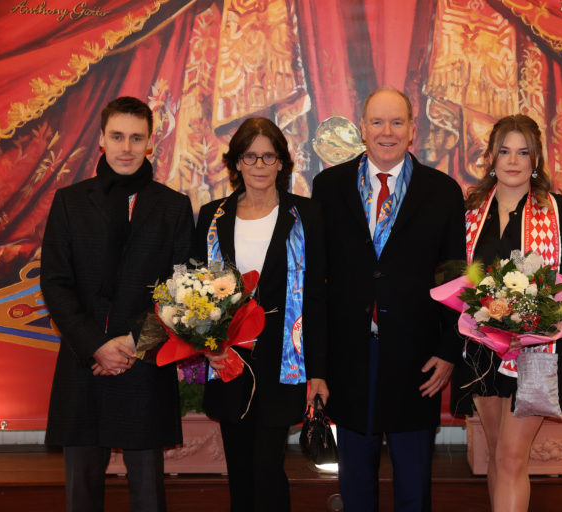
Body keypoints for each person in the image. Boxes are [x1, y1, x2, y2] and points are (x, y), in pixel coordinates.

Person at [312, 87, 466, 512]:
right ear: (362, 128)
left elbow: (457, 278)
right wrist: (317, 366)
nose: (387, 132)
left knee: (413, 485)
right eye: (377, 122)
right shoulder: (329, 187)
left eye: (397, 122)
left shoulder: (443, 191)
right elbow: (316, 283)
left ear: (413, 130)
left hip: (418, 359)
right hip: (349, 357)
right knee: (356, 481)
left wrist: (449, 350)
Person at [41, 96, 195, 511]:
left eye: (136, 138)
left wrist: (130, 344)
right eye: (117, 136)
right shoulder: (69, 202)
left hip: (143, 364)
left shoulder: (173, 206)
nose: (126, 148)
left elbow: (182, 291)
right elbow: (55, 284)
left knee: (148, 495)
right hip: (84, 363)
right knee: (82, 494)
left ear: (150, 144)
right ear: (102, 140)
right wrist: (97, 345)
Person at [451, 114, 562, 511]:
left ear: (536, 160)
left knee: (513, 457)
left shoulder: (561, 211)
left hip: (537, 353)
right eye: (504, 151)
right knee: (497, 452)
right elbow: (454, 275)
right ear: (491, 157)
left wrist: (539, 313)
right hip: (481, 350)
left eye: (523, 152)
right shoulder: (468, 212)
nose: (513, 161)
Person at [194, 117, 328, 512]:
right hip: (228, 359)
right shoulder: (211, 216)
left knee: (268, 466)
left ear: (281, 163)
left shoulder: (307, 215)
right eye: (249, 156)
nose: (258, 165)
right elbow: (196, 293)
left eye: (268, 156)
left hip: (284, 358)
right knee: (239, 468)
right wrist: (207, 347)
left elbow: (318, 299)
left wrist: (318, 370)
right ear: (236, 162)